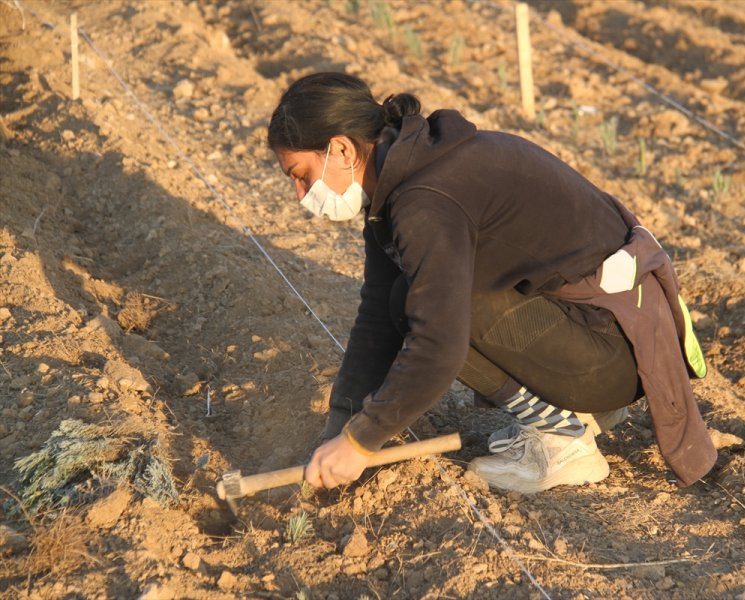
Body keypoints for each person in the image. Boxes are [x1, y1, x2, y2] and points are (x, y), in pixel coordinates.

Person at [267, 72, 717, 494]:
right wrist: (342, 425)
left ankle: (563, 442)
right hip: (607, 328)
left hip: (617, 352)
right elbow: (374, 318)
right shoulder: (406, 175)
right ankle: (578, 407)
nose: (301, 196)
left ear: (342, 150)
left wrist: (362, 441)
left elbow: (438, 344)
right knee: (407, 296)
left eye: (301, 176)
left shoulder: (424, 201)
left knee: (426, 306)